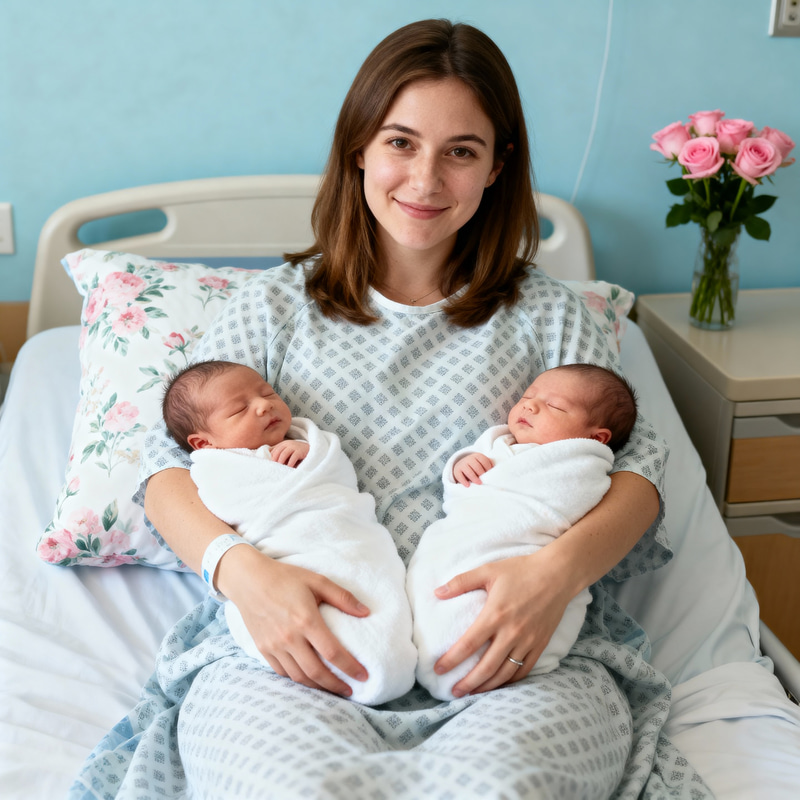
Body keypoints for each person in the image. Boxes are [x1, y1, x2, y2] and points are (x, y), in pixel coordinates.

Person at [72, 18, 711, 799]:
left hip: (516, 652)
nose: (426, 179)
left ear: (497, 168)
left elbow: (636, 476)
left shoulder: (555, 316)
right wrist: (244, 578)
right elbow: (166, 471)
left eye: (461, 151)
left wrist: (552, 578)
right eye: (401, 143)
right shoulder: (269, 311)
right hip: (297, 650)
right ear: (359, 150)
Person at [161, 359, 417, 705]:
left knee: (368, 594)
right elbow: (216, 506)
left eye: (267, 393)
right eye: (240, 410)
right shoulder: (214, 469)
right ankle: (365, 660)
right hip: (280, 562)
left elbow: (335, 474)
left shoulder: (304, 440)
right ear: (204, 444)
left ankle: (382, 650)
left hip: (341, 539)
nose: (264, 404)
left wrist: (309, 453)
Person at [407, 364, 637, 700]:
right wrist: (462, 466)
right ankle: (433, 647)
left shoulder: (582, 464)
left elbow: (579, 506)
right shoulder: (496, 442)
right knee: (437, 588)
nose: (529, 405)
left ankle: (466, 658)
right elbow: (461, 494)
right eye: (528, 397)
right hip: (462, 540)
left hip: (526, 557)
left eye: (555, 406)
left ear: (596, 437)